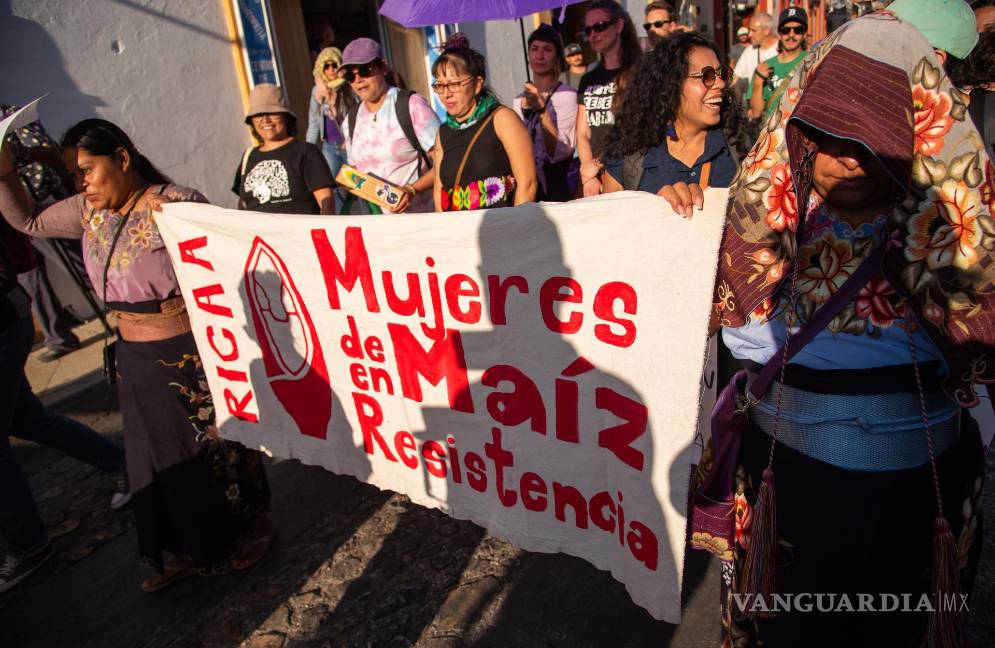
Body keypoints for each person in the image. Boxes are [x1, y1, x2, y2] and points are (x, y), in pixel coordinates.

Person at [692, 13, 993, 645]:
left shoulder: (950, 231)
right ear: (799, 130)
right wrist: (677, 219)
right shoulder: (773, 219)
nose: (849, 158)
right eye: (829, 135)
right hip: (793, 481)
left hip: (916, 488)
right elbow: (738, 331)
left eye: (872, 139)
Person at [0, 119, 273, 592]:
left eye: (88, 169)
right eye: (72, 174)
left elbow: (230, 266)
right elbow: (28, 221)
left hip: (187, 354)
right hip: (135, 358)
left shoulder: (176, 205)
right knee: (156, 459)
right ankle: (186, 548)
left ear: (122, 159)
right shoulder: (87, 212)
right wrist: (4, 174)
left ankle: (246, 532)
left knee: (209, 450)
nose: (80, 183)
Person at [0, 224, 130, 593]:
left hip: (4, 327)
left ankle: (28, 545)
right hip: (9, 323)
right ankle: (121, 462)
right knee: (29, 420)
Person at [601, 32, 738, 213]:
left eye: (722, 74)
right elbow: (612, 233)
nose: (720, 84)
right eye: (707, 75)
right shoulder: (627, 159)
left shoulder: (742, 150)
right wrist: (653, 210)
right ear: (671, 84)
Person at [432, 34, 536, 211]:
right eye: (440, 86)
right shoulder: (443, 133)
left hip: (502, 229)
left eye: (454, 84)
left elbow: (527, 184)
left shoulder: (502, 119)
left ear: (478, 84)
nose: (446, 94)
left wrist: (515, 230)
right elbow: (439, 193)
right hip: (459, 233)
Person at [339, 37, 439, 213]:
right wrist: (348, 179)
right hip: (377, 232)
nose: (358, 79)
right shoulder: (351, 119)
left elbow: (445, 163)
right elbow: (355, 172)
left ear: (383, 67)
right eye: (350, 75)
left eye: (364, 70)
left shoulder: (412, 106)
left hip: (419, 223)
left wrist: (412, 190)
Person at [233, 84, 334, 215]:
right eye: (258, 115)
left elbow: (327, 203)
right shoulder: (248, 156)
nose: (265, 120)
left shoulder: (306, 152)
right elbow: (243, 205)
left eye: (272, 113)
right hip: (259, 235)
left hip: (300, 234)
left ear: (286, 116)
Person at [576, 0, 643, 197]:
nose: (593, 35)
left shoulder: (640, 73)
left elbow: (639, 131)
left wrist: (597, 164)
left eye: (599, 26)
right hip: (596, 179)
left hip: (631, 175)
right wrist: (589, 176)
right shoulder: (588, 79)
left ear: (619, 26)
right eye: (588, 30)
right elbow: (582, 133)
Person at [513, 24, 578, 202]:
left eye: (547, 49)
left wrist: (542, 109)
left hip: (558, 185)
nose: (539, 56)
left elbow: (559, 152)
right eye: (534, 49)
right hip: (528, 187)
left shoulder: (566, 94)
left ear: (557, 57)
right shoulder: (518, 100)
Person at [306, 47, 356, 186]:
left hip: (348, 145)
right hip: (329, 147)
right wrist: (307, 149)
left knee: (357, 186)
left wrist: (352, 139)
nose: (331, 70)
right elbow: (314, 121)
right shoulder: (317, 91)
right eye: (326, 66)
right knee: (330, 185)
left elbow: (358, 116)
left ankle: (364, 209)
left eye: (334, 65)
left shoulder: (349, 87)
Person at [749, 8, 808, 121]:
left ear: (805, 34)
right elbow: (756, 113)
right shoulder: (765, 66)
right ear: (779, 33)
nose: (791, 35)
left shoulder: (813, 61)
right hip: (772, 135)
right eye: (786, 30)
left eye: (798, 30)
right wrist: (758, 81)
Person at [732, 12, 778, 117]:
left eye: (753, 30)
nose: (749, 35)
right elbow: (734, 78)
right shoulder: (750, 51)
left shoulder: (781, 50)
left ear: (766, 31)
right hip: (757, 115)